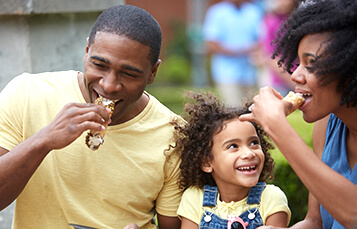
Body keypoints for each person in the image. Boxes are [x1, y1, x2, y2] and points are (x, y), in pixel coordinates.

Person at [0, 5, 183, 229]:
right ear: (86, 51)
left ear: (153, 72)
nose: (109, 85)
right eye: (99, 65)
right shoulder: (27, 93)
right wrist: (44, 139)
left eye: (129, 73)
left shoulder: (174, 135)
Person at [239, 0, 357, 228]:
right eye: (299, 62)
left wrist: (276, 125)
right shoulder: (326, 124)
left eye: (311, 64)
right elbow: (316, 221)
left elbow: (353, 215)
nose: (295, 75)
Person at [171, 91, 291, 228]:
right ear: (206, 162)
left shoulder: (271, 198)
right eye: (233, 146)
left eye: (253, 143)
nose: (249, 153)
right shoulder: (194, 198)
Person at [202, 0, 264, 106]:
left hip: (249, 73)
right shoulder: (217, 12)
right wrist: (240, 50)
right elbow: (211, 44)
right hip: (227, 73)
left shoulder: (253, 11)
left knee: (252, 108)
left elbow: (262, 39)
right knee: (232, 109)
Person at [255, 0, 297, 97]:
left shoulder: (300, 19)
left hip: (299, 77)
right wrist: (291, 80)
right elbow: (270, 56)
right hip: (280, 82)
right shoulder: (271, 21)